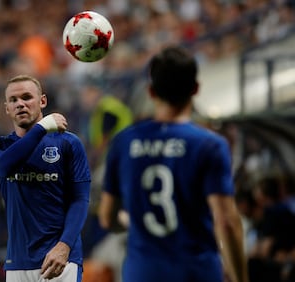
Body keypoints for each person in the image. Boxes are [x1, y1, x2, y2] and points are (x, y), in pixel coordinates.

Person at [98, 45, 248, 282]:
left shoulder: (124, 142)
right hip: (196, 272)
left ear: (151, 92)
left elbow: (107, 218)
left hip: (143, 273)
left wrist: (134, 220)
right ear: (196, 89)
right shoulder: (209, 145)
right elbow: (226, 221)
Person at [0, 74, 91, 282]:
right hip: (18, 262)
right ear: (7, 108)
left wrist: (64, 246)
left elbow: (80, 199)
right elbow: (2, 167)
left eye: (26, 97)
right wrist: (42, 128)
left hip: (60, 259)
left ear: (42, 101)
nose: (20, 104)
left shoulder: (68, 143)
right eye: (13, 100)